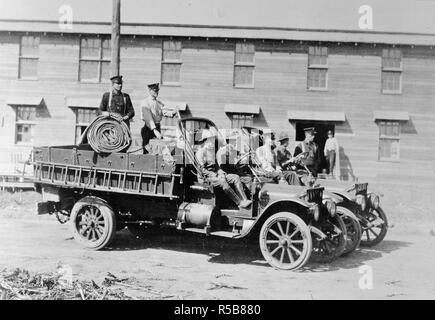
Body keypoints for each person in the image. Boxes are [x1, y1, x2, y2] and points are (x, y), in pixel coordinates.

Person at [195, 129, 252, 209]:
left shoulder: (211, 152)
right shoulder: (200, 153)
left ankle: (244, 200)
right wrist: (217, 175)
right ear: (205, 141)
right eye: (210, 140)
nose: (212, 143)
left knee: (235, 177)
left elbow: (217, 167)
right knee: (223, 182)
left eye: (212, 140)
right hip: (206, 178)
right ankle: (239, 203)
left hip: (215, 176)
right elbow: (202, 170)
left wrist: (221, 172)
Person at [140, 83, 176, 153]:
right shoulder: (145, 102)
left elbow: (164, 111)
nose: (157, 92)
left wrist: (173, 112)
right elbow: (148, 118)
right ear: (150, 91)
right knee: (147, 150)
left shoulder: (158, 102)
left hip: (157, 127)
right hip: (148, 129)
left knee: (157, 150)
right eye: (155, 91)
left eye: (157, 91)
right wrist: (154, 130)